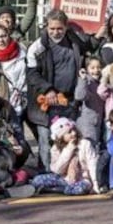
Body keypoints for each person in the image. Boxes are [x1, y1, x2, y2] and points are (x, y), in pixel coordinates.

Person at [25, 9, 92, 170]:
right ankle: (46, 174)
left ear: (66, 27)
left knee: (68, 141)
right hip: (45, 103)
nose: (56, 32)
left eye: (59, 28)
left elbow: (91, 46)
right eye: (52, 29)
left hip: (68, 102)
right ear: (46, 27)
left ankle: (66, 175)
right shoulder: (38, 47)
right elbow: (32, 74)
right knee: (46, 141)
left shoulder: (74, 42)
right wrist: (48, 90)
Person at [30, 117, 100, 195]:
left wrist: (95, 184)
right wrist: (69, 150)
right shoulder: (55, 148)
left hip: (83, 179)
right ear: (61, 137)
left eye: (74, 129)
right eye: (69, 132)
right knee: (37, 180)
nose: (74, 133)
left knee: (80, 189)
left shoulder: (85, 144)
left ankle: (57, 190)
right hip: (64, 179)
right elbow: (57, 170)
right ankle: (61, 189)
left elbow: (93, 165)